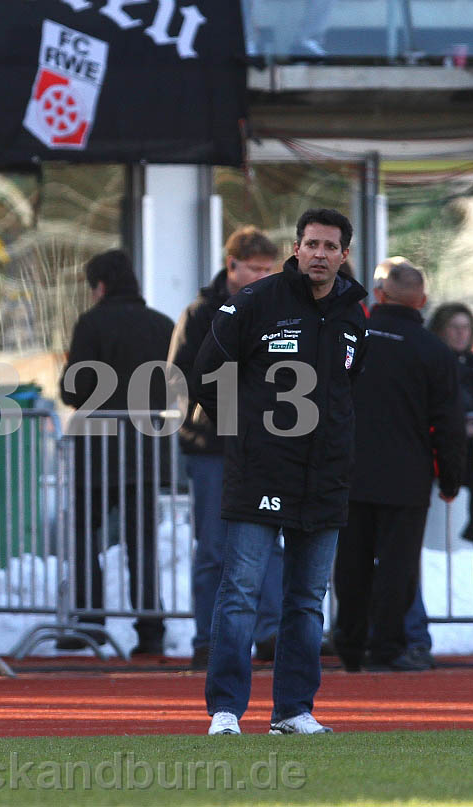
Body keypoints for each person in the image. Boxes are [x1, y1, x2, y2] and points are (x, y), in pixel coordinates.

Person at [191, 208, 367, 735]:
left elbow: (350, 391)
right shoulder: (256, 301)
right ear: (296, 248)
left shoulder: (354, 313)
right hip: (261, 472)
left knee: (308, 600)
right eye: (311, 244)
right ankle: (226, 710)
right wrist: (244, 434)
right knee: (241, 592)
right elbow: (206, 373)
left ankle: (293, 710)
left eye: (330, 246)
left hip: (325, 477)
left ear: (344, 255)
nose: (319, 254)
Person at [333, 258, 465, 673]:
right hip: (407, 477)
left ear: (378, 295)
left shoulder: (352, 338)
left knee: (351, 564)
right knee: (398, 567)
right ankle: (385, 647)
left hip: (350, 472)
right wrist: (451, 479)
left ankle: (350, 644)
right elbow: (449, 424)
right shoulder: (434, 351)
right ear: (422, 300)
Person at [168, 226, 283, 671]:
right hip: (212, 444)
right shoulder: (200, 313)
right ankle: (209, 639)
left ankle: (271, 633)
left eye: (268, 269)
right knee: (214, 546)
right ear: (231, 266)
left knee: (269, 542)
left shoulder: (278, 310)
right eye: (255, 268)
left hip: (263, 442)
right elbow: (178, 377)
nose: (263, 276)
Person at [59, 250, 175, 655]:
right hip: (146, 449)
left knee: (84, 536)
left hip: (97, 449)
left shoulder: (92, 323)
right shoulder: (163, 325)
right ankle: (151, 629)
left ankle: (89, 623)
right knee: (142, 541)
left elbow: (73, 389)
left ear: (101, 286)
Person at [429, 303, 473, 555]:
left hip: (466, 441)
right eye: (454, 327)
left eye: (466, 327)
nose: (461, 333)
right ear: (441, 330)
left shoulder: (470, 361)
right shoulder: (436, 360)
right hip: (436, 439)